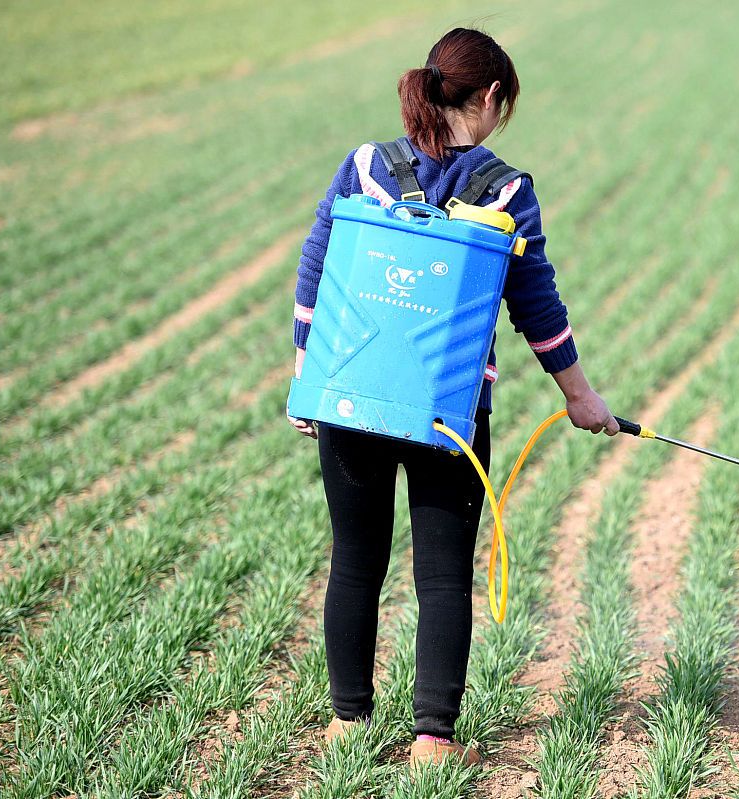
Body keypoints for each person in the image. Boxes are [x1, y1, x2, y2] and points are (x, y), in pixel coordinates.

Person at [286, 28, 619, 766]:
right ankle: (433, 739)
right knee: (441, 574)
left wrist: (308, 378)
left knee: (354, 559)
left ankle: (347, 723)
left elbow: (319, 266)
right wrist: (581, 397)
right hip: (449, 416)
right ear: (492, 96)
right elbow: (536, 305)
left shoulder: (365, 166)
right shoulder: (506, 190)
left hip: (352, 401)